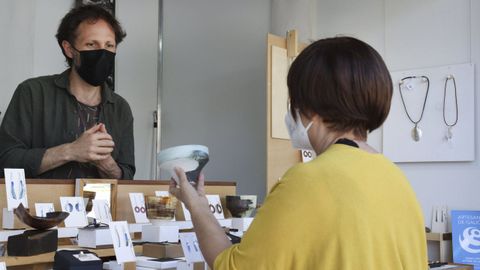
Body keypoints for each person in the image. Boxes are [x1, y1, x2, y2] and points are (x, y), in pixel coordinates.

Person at [170, 37, 428, 269]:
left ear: (312, 106)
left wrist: (195, 205)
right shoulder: (396, 179)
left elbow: (233, 266)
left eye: (294, 100)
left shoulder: (308, 181)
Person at [0, 5, 135, 179]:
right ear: (69, 49)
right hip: (42, 205)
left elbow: (127, 176)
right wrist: (71, 151)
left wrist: (107, 165)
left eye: (109, 45)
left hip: (100, 206)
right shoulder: (32, 93)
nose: (102, 52)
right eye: (91, 44)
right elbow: (6, 161)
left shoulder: (121, 108)